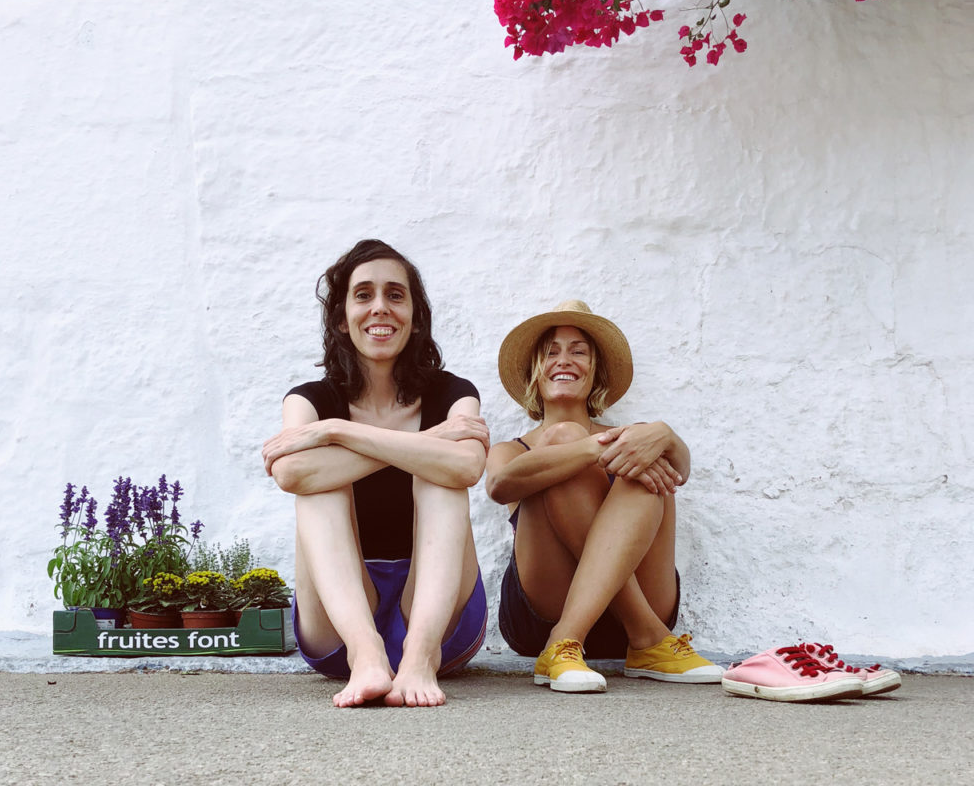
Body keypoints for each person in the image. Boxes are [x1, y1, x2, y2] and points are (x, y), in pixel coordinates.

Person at [262, 239, 489, 708]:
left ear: (415, 316)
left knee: (441, 477)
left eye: (395, 295)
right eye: (363, 295)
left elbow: (467, 466)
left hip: (435, 609)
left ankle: (419, 657)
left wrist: (339, 433)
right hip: (341, 619)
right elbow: (292, 475)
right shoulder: (308, 400)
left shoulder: (454, 393)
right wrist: (426, 441)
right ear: (342, 319)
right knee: (319, 485)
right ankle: (367, 657)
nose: (380, 307)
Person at [485, 300, 724, 693]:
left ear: (594, 371)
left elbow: (679, 471)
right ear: (534, 373)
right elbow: (499, 487)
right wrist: (591, 450)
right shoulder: (511, 449)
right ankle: (631, 636)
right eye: (551, 352)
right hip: (545, 613)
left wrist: (665, 435)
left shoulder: (632, 438)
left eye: (579, 351)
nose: (565, 360)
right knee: (566, 438)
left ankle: (610, 638)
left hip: (642, 608)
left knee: (644, 457)